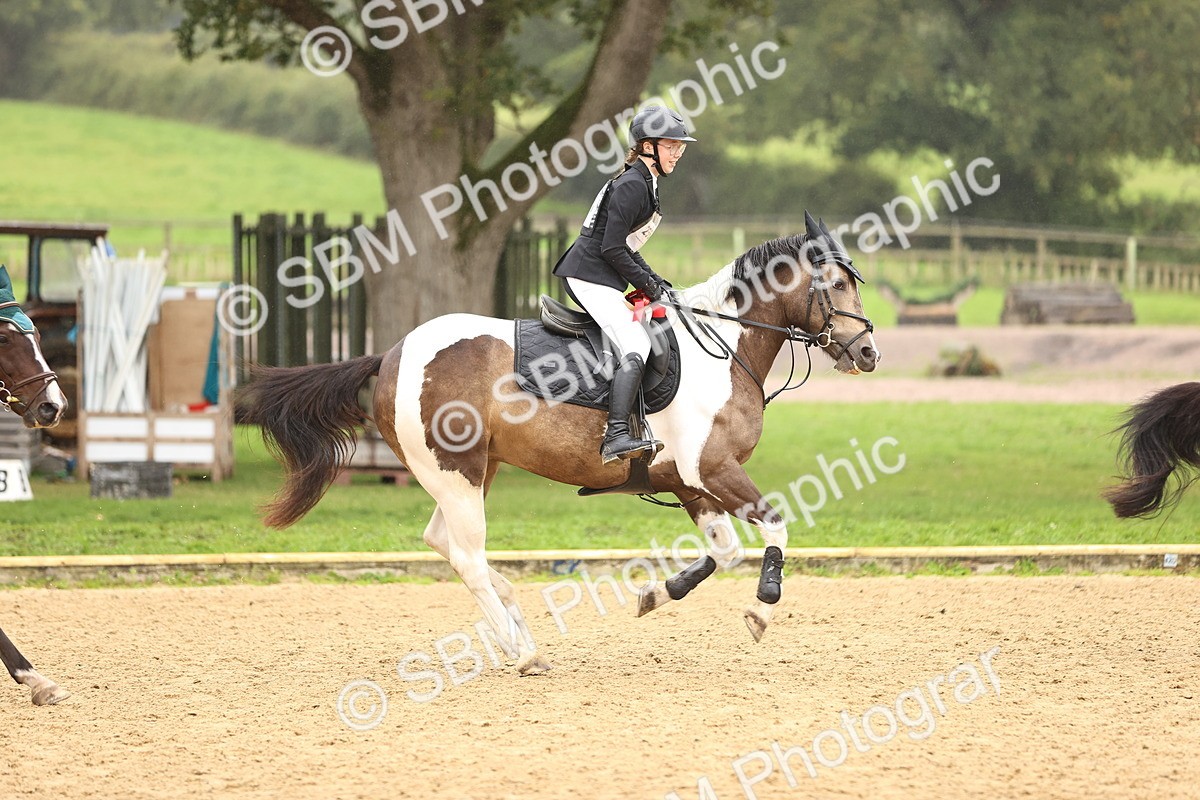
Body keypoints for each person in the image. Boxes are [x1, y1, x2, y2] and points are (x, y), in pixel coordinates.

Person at [552, 105, 696, 464]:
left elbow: (625, 246)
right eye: (671, 145)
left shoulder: (644, 181)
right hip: (589, 276)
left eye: (681, 146)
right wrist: (648, 284)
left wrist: (656, 281)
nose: (678, 152)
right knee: (634, 342)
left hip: (601, 274)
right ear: (648, 146)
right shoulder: (633, 185)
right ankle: (616, 435)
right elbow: (611, 247)